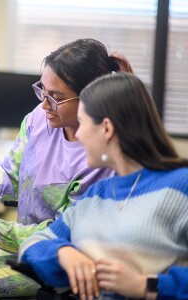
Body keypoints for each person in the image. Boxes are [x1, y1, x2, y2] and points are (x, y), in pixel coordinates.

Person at [0, 38, 133, 300]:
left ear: (91, 98)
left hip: (65, 258)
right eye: (43, 90)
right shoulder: (39, 120)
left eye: (56, 98)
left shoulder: (101, 158)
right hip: (22, 244)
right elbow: (8, 180)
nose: (44, 105)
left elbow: (63, 233)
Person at [18, 73, 188, 300]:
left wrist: (144, 285)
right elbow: (31, 246)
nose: (77, 134)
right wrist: (63, 253)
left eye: (83, 123)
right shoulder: (97, 195)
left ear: (106, 128)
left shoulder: (180, 186)